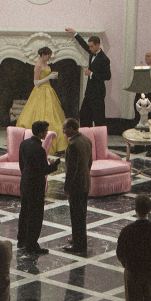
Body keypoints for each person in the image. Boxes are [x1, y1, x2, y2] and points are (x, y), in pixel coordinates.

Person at [17, 121, 61, 254]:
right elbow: (44, 170)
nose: (47, 133)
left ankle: (21, 240)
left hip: (25, 182)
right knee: (35, 215)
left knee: (24, 211)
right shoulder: (40, 150)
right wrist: (55, 165)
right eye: (46, 131)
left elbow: (22, 164)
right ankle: (32, 244)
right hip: (36, 186)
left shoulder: (24, 143)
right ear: (41, 133)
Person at [15, 46, 68, 154]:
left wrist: (52, 76)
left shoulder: (44, 63)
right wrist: (49, 77)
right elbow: (36, 82)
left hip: (48, 91)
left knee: (54, 115)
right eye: (48, 56)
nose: (49, 58)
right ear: (43, 55)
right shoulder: (38, 65)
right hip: (40, 92)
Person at [66, 28, 111, 127]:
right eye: (89, 46)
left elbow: (107, 76)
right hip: (89, 91)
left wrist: (91, 74)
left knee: (98, 117)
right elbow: (84, 45)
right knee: (84, 114)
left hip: (98, 92)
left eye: (91, 46)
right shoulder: (92, 53)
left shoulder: (104, 59)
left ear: (97, 45)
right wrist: (75, 33)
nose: (89, 48)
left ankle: (99, 134)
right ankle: (86, 133)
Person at [62, 118, 92, 254]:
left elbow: (71, 170)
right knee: (81, 213)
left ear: (71, 128)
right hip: (85, 182)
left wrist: (67, 187)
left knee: (76, 216)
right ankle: (77, 238)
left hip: (77, 185)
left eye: (65, 128)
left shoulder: (73, 145)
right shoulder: (86, 140)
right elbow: (89, 162)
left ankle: (79, 245)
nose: (63, 131)